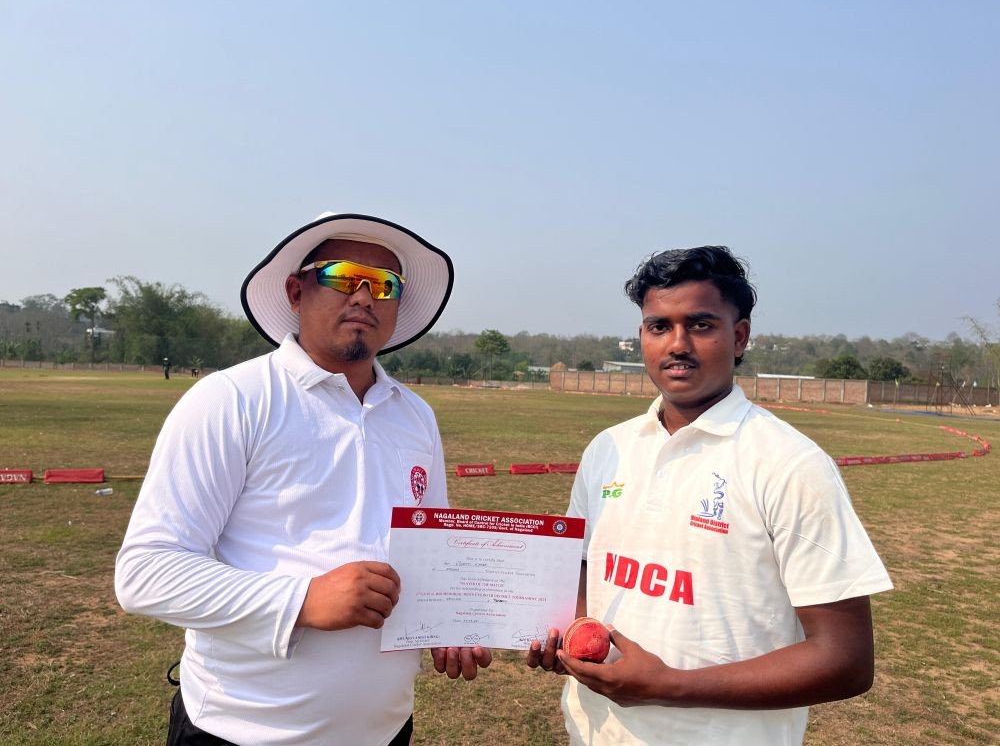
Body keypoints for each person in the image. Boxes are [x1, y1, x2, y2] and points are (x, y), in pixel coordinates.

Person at [116, 212, 491, 746]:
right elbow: (146, 572)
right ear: (296, 290)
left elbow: (428, 554)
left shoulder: (414, 415)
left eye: (384, 284)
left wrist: (450, 621)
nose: (363, 295)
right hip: (241, 731)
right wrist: (302, 599)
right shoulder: (232, 400)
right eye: (342, 275)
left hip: (383, 731)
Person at [527, 246, 892, 745]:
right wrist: (567, 634)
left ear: (738, 336)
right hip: (596, 733)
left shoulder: (790, 463)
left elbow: (845, 660)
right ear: (642, 337)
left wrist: (668, 687)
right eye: (659, 327)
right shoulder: (607, 449)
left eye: (700, 325)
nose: (677, 344)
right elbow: (584, 569)